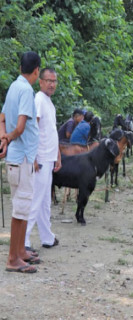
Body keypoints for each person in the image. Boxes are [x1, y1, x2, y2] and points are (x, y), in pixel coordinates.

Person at [0, 51, 41, 273]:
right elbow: (21, 126)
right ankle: (12, 259)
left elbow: (2, 117)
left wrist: (3, 139)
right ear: (36, 70)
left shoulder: (14, 87)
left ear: (20, 68)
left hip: (20, 156)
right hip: (21, 157)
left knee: (23, 207)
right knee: (20, 209)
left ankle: (21, 252)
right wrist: (8, 137)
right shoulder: (26, 90)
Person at [25, 67, 62, 251]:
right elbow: (33, 128)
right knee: (36, 199)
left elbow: (51, 132)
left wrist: (57, 155)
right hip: (40, 157)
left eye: (54, 81)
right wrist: (33, 156)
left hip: (49, 157)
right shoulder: (39, 99)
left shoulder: (49, 102)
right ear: (40, 81)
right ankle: (24, 241)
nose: (51, 84)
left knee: (45, 201)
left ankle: (47, 237)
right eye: (48, 80)